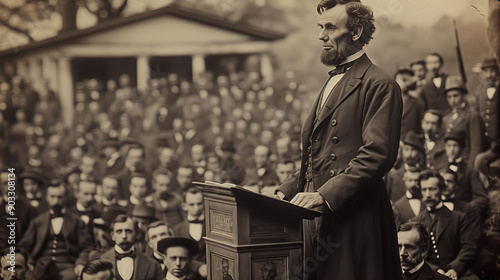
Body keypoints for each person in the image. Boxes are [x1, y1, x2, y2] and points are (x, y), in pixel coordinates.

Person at [276, 1, 402, 279]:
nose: (321, 35)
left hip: (355, 215)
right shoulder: (331, 81)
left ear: (356, 32)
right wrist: (284, 190)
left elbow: (378, 154)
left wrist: (324, 195)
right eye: (320, 27)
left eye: (330, 27)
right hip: (319, 212)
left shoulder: (379, 84)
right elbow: (318, 152)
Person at [19, 181, 94, 280]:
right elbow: (24, 247)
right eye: (52, 196)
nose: (56, 201)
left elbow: (86, 247)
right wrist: (29, 262)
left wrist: (80, 263)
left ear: (65, 198)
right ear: (47, 197)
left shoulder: (77, 222)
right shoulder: (37, 221)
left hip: (67, 266)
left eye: (59, 197)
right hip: (41, 265)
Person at [410, 170, 478, 280]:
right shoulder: (415, 222)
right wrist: (435, 270)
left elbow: (469, 247)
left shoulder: (459, 218)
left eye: (432, 189)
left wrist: (454, 268)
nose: (428, 194)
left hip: (459, 272)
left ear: (442, 190)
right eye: (424, 189)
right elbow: (414, 253)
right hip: (428, 273)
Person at [435, 130, 489, 217]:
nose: (452, 150)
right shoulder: (439, 169)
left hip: (462, 217)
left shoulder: (471, 171)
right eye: (449, 146)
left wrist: (464, 210)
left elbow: (482, 199)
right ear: (445, 147)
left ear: (462, 148)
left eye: (455, 146)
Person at [99, 214, 163, 280]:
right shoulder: (101, 261)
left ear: (136, 234)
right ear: (112, 235)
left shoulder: (152, 265)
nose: (124, 236)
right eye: (119, 231)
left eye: (128, 231)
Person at [442, 76, 485, 164]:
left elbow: (476, 148)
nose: (452, 100)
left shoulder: (472, 116)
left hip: (466, 163)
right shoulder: (446, 118)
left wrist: (469, 170)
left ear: (463, 95)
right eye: (449, 97)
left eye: (456, 96)